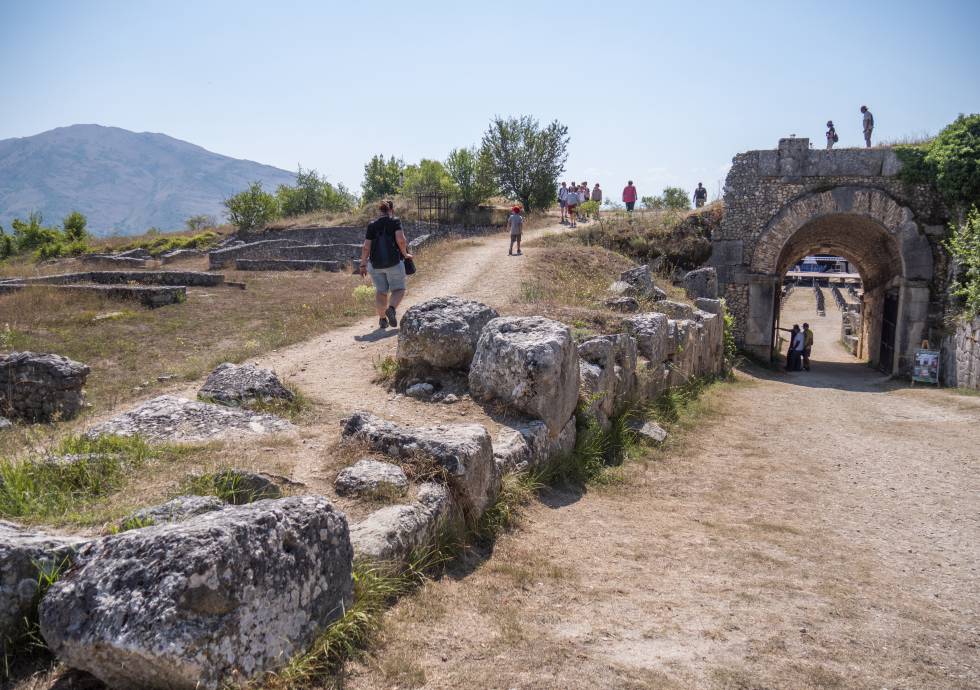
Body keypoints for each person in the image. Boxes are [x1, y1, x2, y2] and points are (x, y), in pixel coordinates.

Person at [359, 200, 411, 330]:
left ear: (380, 211)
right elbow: (400, 239)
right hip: (393, 262)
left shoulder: (372, 225)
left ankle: (382, 320)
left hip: (375, 265)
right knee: (399, 289)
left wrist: (363, 265)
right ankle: (391, 309)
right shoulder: (394, 221)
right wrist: (405, 254)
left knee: (381, 292)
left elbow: (366, 247)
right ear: (391, 210)